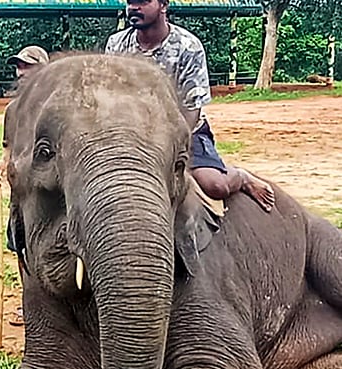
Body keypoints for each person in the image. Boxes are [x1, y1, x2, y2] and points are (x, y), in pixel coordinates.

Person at [105, 0, 275, 212]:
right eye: (131, 2)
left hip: (184, 134)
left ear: (163, 5)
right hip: (132, 134)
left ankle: (240, 177)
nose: (134, 8)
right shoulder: (116, 44)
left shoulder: (188, 46)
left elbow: (191, 111)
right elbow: (110, 98)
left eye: (143, 1)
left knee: (214, 186)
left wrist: (167, 151)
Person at [0, 45, 49, 327]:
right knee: (21, 247)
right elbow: (9, 150)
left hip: (49, 194)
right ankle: (29, 302)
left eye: (28, 66)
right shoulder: (13, 111)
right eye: (19, 66)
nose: (21, 72)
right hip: (21, 194)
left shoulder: (56, 108)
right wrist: (1, 166)